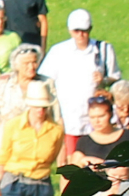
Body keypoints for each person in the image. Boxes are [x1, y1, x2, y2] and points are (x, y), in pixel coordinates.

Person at [42, 9, 117, 137]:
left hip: (96, 120)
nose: (81, 35)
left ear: (90, 29)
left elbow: (116, 78)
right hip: (68, 118)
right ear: (70, 30)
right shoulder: (58, 51)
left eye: (85, 31)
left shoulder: (103, 49)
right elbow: (44, 80)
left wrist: (104, 80)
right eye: (76, 31)